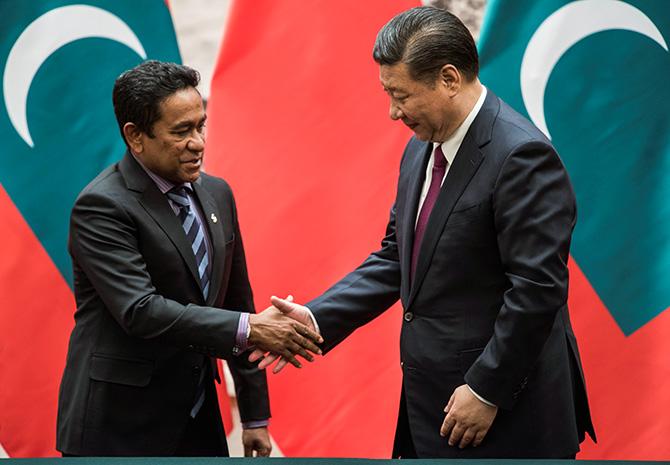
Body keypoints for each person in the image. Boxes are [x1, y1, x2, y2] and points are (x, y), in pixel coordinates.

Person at [253, 6, 595, 459]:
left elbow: (536, 291)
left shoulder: (522, 156)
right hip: (431, 405)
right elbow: (398, 255)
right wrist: (316, 318)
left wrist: (487, 388)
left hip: (502, 410)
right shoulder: (421, 150)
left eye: (401, 95)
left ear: (449, 79)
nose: (393, 112)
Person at [56, 60, 321, 457]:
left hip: (198, 423)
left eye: (201, 125)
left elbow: (237, 302)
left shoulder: (217, 194)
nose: (198, 142)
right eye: (181, 132)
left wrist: (254, 418)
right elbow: (140, 310)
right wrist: (250, 329)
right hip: (119, 428)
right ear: (135, 137)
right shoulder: (102, 206)